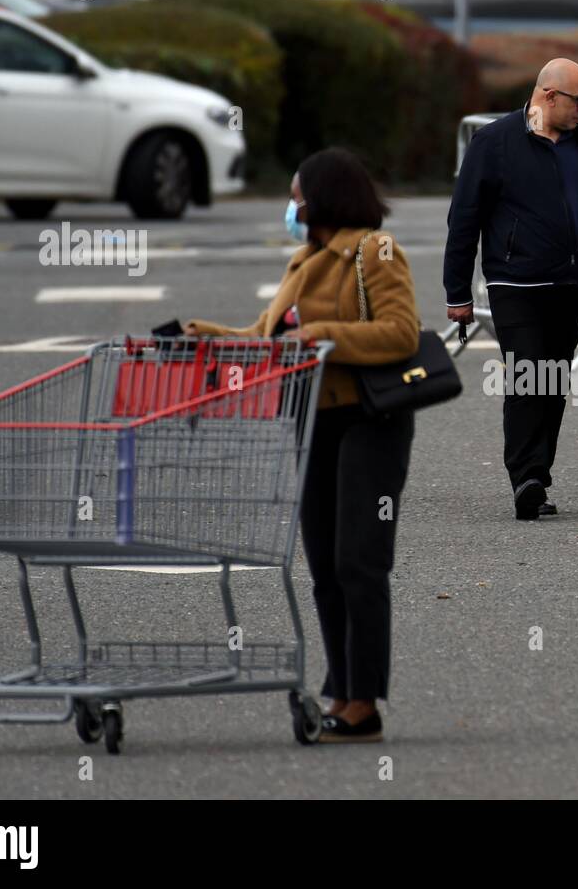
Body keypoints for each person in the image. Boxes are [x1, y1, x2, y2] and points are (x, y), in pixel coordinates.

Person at [184, 149, 419, 742]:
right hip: (312, 421)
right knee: (322, 566)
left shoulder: (375, 253)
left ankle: (363, 699)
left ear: (323, 198)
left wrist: (321, 335)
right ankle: (341, 688)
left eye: (296, 196)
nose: (291, 207)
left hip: (370, 421)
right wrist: (204, 337)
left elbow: (401, 332)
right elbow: (266, 339)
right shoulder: (304, 259)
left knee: (357, 562)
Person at [443, 58, 578, 520]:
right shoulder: (495, 142)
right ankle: (525, 477)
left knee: (554, 378)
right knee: (527, 372)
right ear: (547, 96)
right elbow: (464, 218)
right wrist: (457, 293)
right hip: (514, 280)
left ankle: (538, 473)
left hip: (570, 280)